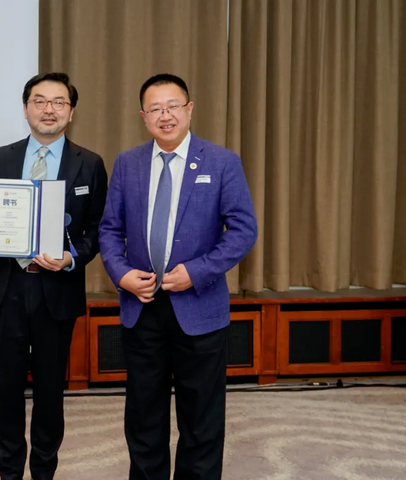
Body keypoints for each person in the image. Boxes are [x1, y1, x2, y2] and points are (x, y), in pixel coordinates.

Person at [0, 72, 108, 480]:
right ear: (26, 108)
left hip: (57, 291)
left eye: (59, 102)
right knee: (7, 392)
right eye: (40, 101)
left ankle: (44, 472)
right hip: (6, 290)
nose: (49, 109)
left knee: (50, 394)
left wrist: (71, 258)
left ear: (71, 112)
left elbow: (99, 229)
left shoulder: (90, 164)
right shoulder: (2, 157)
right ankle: (9, 473)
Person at [99, 73, 257, 480]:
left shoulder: (221, 161)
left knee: (201, 418)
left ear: (189, 109)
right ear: (143, 116)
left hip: (199, 307)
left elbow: (243, 230)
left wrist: (197, 272)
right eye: (155, 109)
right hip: (142, 306)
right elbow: (110, 230)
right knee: (143, 416)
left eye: (173, 106)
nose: (165, 115)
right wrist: (121, 274)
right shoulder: (128, 163)